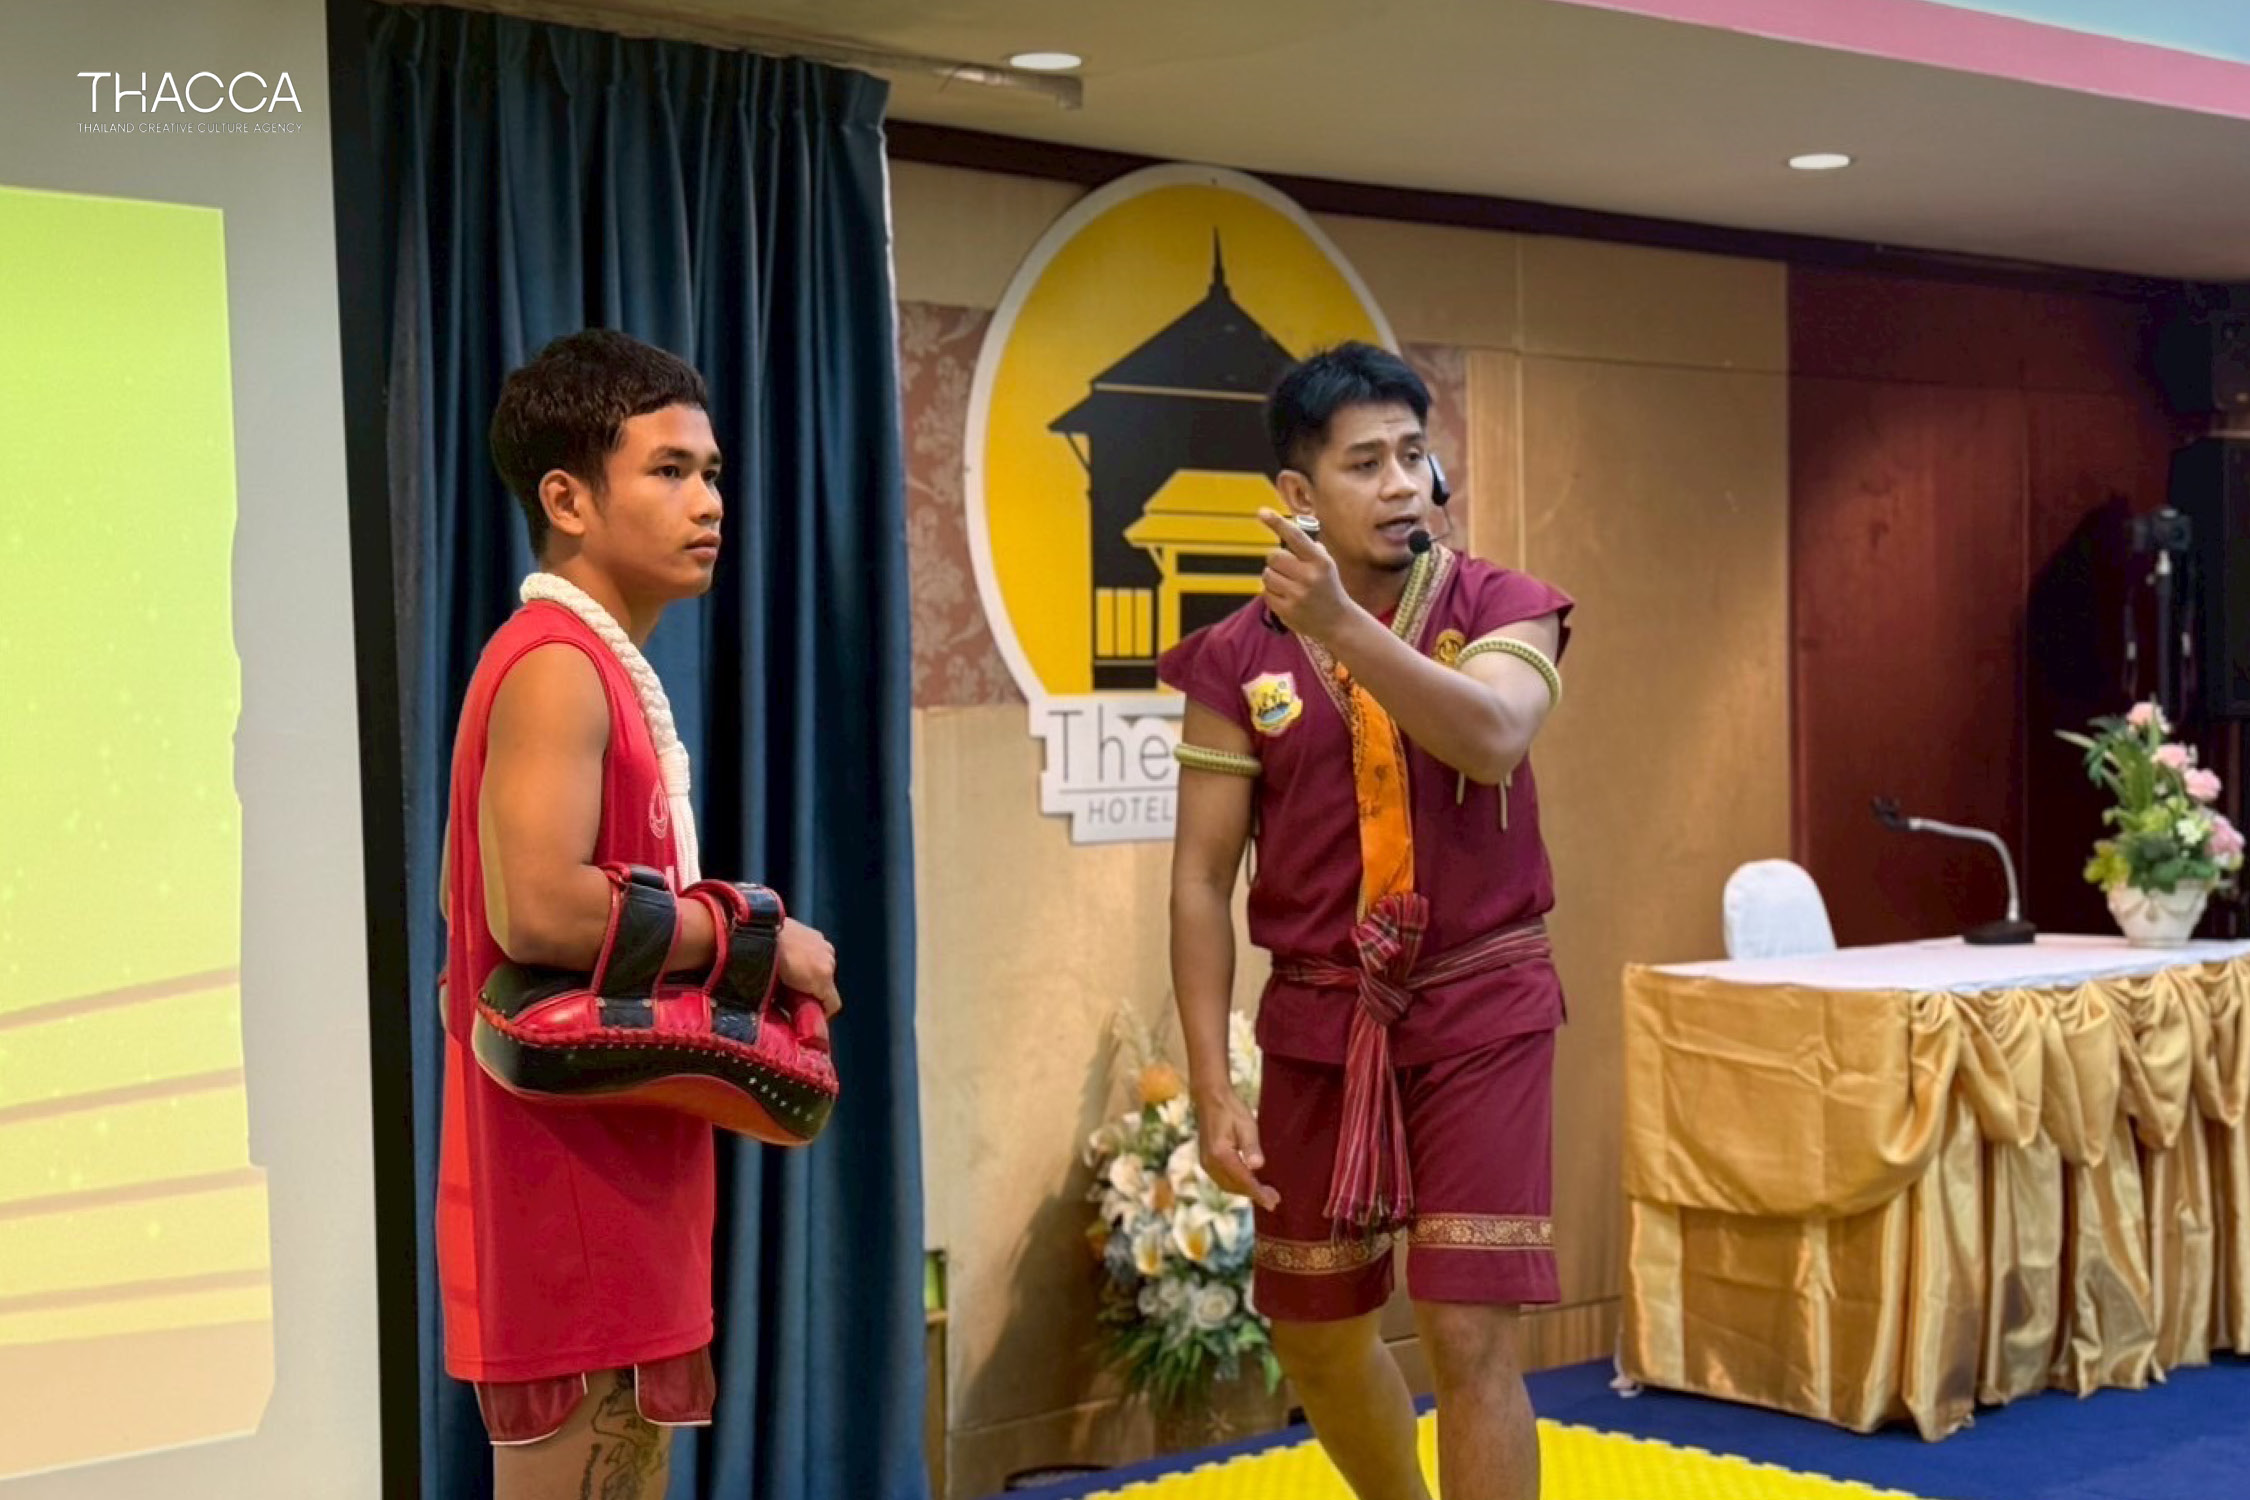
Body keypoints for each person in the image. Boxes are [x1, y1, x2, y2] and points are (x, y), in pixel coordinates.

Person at [1161, 342, 1572, 1500]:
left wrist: (1344, 628)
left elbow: (1493, 736)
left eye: (1412, 455)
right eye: (1365, 463)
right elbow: (1199, 881)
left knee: (1468, 1334)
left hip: (1482, 1005)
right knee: (1316, 1336)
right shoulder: (1233, 659)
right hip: (1319, 1023)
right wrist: (1212, 1084)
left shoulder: (1506, 604)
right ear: (1299, 493)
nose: (1401, 484)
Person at [435, 329, 840, 1498]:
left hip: (607, 1170)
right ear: (567, 499)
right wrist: (760, 935)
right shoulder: (556, 664)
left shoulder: (588, 661)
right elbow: (538, 911)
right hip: (568, 1190)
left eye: (710, 472)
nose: (708, 501)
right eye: (668, 471)